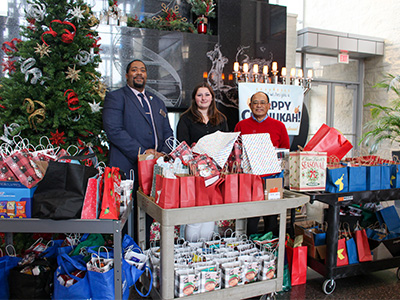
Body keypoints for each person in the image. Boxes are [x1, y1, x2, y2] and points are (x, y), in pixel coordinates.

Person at [103, 59, 174, 243]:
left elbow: (168, 132)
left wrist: (163, 154)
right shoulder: (117, 97)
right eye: (134, 70)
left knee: (149, 213)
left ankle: (144, 253)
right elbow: (114, 131)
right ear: (127, 75)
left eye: (142, 70)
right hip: (128, 167)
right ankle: (126, 257)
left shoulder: (156, 101)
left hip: (154, 169)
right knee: (127, 216)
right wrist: (143, 152)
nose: (139, 73)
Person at [177, 82, 229, 241]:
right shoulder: (185, 119)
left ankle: (205, 250)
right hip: (194, 174)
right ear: (194, 98)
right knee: (195, 213)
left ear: (212, 97)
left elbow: (227, 144)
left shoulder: (221, 118)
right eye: (199, 95)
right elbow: (182, 146)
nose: (203, 98)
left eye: (207, 94)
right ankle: (189, 249)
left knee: (210, 213)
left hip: (215, 173)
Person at [234, 91, 290, 237]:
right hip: (251, 180)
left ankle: (271, 252)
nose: (259, 105)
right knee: (252, 219)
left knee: (272, 219)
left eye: (262, 102)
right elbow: (236, 153)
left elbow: (286, 152)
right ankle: (251, 251)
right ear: (250, 105)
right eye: (255, 102)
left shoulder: (279, 126)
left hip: (273, 178)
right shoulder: (241, 126)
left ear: (269, 106)